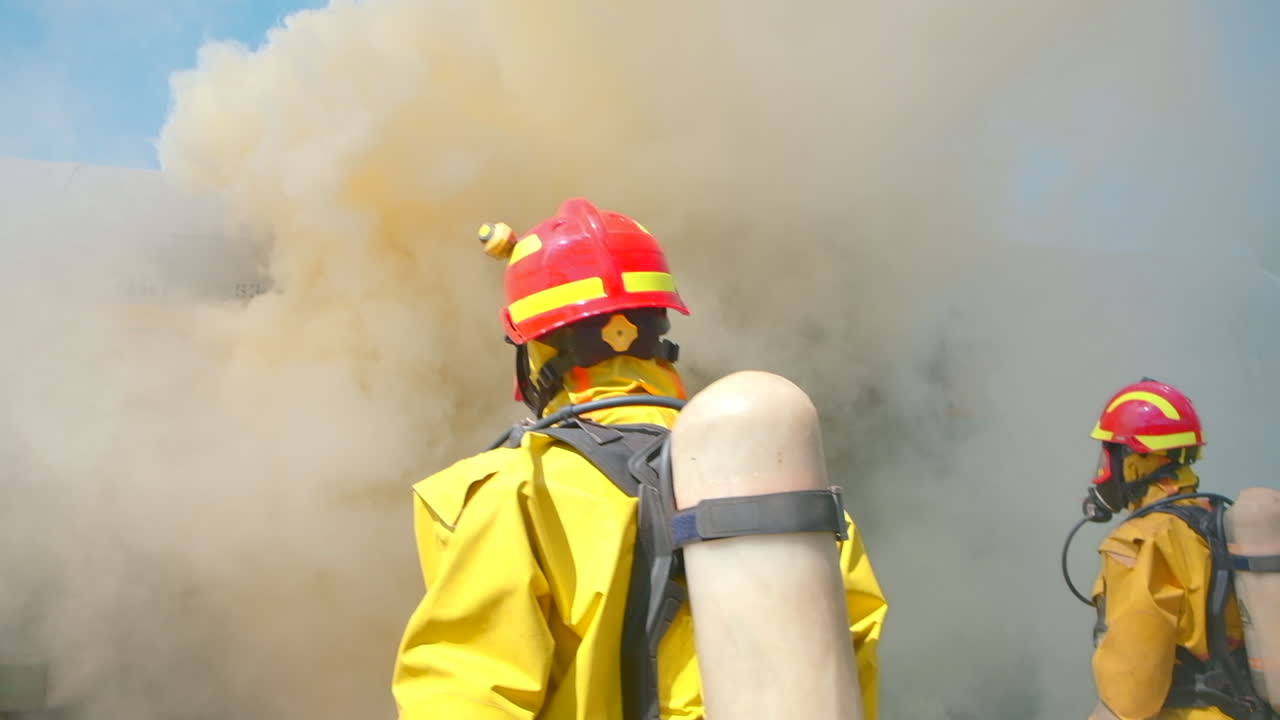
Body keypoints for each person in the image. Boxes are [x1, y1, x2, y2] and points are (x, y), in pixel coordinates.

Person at [390, 197, 888, 720]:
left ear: (533, 352)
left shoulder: (512, 491)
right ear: (660, 330)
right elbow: (852, 661)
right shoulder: (783, 483)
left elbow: (467, 690)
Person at [1082, 378, 1260, 720]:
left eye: (1111, 453)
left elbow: (1132, 696)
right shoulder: (1218, 522)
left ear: (1136, 460)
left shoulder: (1140, 543)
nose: (1105, 469)